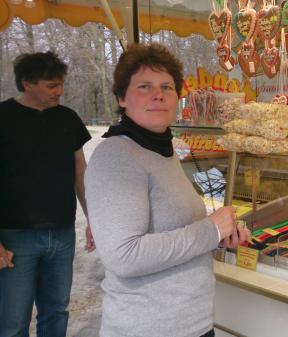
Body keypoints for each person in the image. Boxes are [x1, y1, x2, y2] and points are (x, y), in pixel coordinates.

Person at [85, 44, 250, 337]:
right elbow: (124, 256)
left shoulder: (162, 150)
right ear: (122, 97)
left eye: (167, 87)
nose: (158, 95)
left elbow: (173, 231)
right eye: (144, 86)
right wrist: (209, 231)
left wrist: (219, 238)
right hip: (148, 328)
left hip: (191, 324)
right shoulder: (117, 155)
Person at [0, 51, 93, 337]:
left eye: (61, 83)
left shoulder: (68, 118)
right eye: (52, 85)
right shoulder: (2, 117)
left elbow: (80, 170)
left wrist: (94, 219)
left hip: (63, 234)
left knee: (56, 312)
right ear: (28, 83)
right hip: (15, 236)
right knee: (13, 321)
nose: (60, 91)